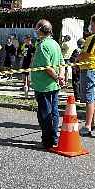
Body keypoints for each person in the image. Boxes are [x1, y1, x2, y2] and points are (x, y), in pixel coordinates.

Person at [30, 20, 65, 149]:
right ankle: (54, 138)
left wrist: (57, 77)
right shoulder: (55, 43)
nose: (35, 30)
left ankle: (47, 141)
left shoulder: (43, 45)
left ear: (40, 29)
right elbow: (62, 63)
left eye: (36, 27)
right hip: (53, 85)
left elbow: (47, 67)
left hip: (43, 85)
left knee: (44, 114)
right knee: (54, 112)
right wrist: (60, 77)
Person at [77, 14, 95, 137]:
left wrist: (76, 60)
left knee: (89, 98)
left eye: (90, 23)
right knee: (92, 96)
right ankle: (93, 121)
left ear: (94, 24)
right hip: (93, 68)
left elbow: (84, 54)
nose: (90, 26)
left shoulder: (93, 37)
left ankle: (87, 125)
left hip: (89, 69)